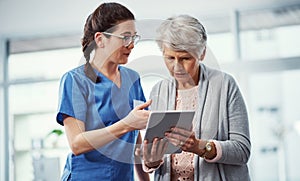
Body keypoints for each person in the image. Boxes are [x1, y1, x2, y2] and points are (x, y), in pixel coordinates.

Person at [141, 15, 251, 181]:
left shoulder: (225, 85)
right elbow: (157, 159)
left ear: (202, 53)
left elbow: (242, 151)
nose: (177, 67)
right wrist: (151, 161)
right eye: (170, 58)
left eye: (185, 58)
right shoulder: (158, 91)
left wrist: (199, 146)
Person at [56, 2, 151, 181]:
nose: (131, 45)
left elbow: (136, 136)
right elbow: (77, 143)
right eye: (125, 37)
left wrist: (145, 180)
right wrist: (127, 124)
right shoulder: (75, 80)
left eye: (134, 37)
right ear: (100, 39)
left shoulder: (133, 78)